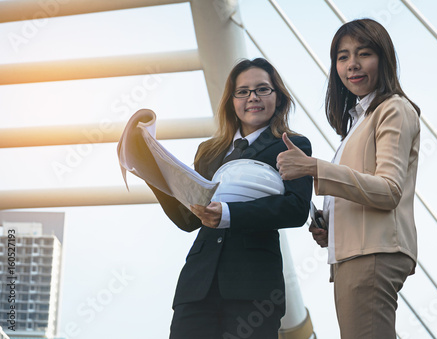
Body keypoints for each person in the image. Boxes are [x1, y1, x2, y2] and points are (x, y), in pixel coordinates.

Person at [148, 58, 313, 339]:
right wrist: (151, 173)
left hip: (254, 290)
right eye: (243, 91)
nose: (253, 98)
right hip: (198, 286)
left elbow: (296, 209)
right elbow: (189, 218)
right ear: (231, 101)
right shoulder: (209, 151)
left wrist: (228, 214)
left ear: (279, 98)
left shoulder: (293, 145)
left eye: (263, 89)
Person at [276, 19, 420, 338]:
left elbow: (389, 190)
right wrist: (332, 225)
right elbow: (363, 190)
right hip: (353, 255)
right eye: (342, 57)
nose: (352, 65)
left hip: (371, 254)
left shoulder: (392, 109)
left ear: (383, 59)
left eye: (363, 53)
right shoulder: (358, 122)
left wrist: (314, 167)